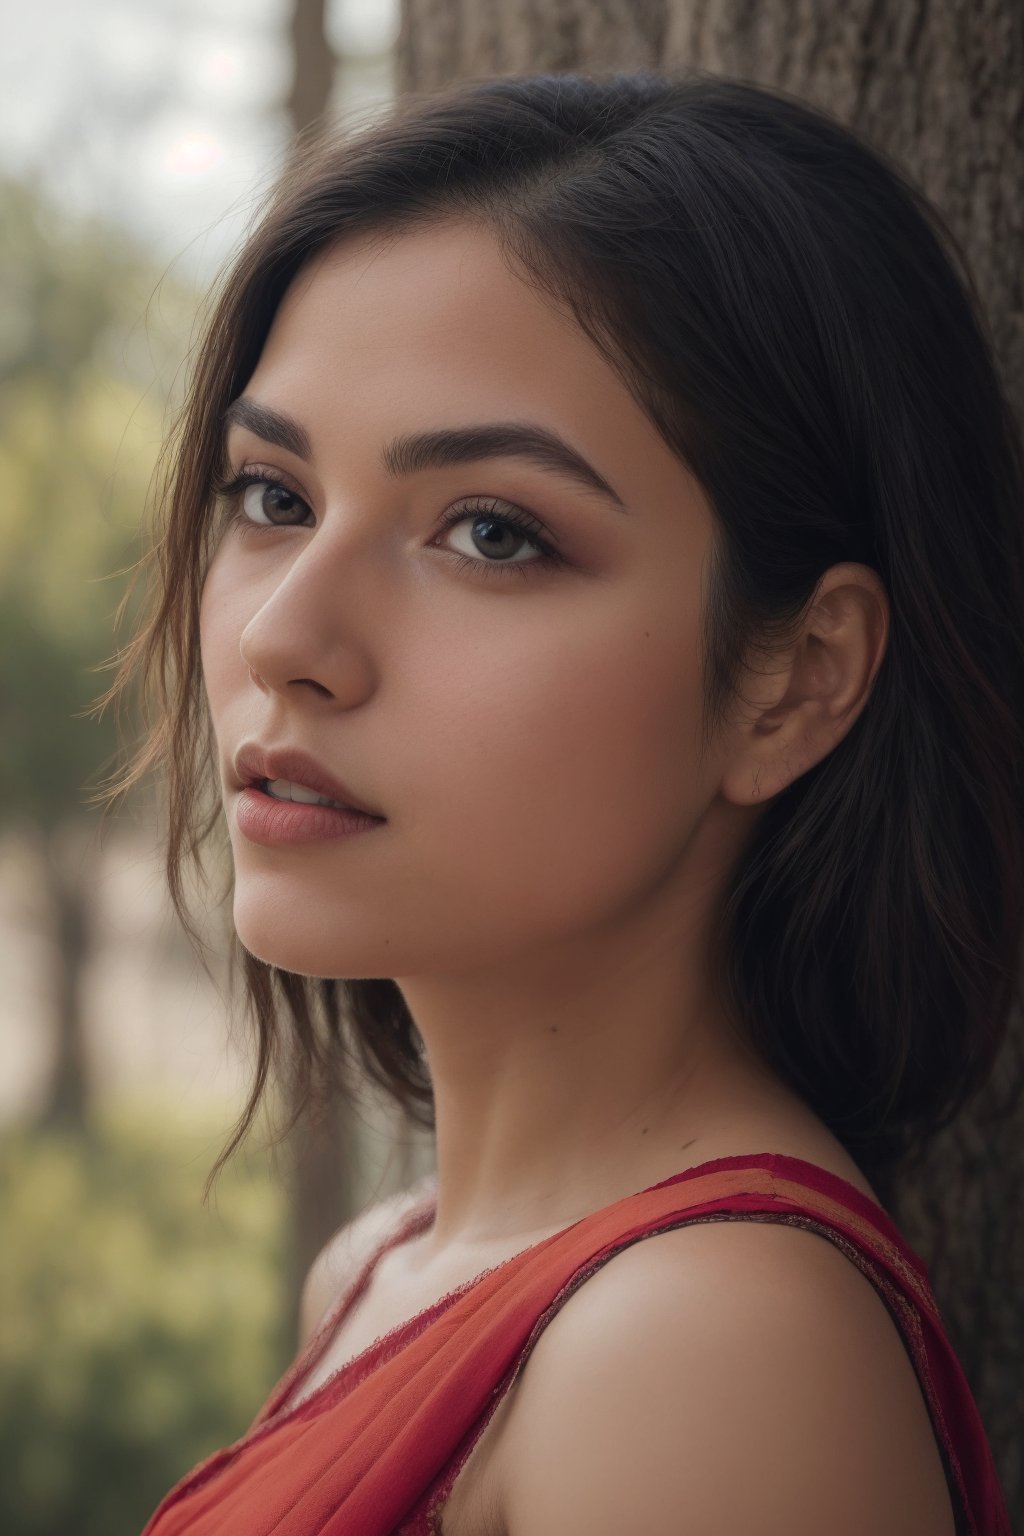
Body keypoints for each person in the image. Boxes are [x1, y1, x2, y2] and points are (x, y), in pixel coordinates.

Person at [113, 69, 1021, 1535]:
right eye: (273, 497)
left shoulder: (703, 1352)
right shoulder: (383, 1271)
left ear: (795, 681)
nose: (285, 638)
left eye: (490, 532)